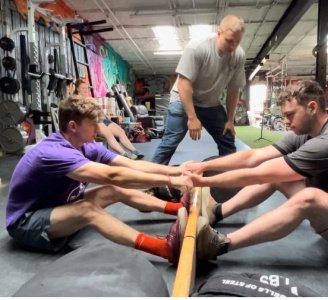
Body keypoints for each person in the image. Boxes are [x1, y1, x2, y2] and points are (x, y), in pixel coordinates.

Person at [185, 80, 328, 260]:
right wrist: (203, 167)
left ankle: (218, 245)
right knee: (278, 177)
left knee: (308, 196)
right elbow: (254, 156)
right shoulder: (306, 133)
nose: (286, 122)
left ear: (312, 107)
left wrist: (203, 182)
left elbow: (259, 173)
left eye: (290, 115)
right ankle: (217, 212)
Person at [6, 97, 193, 266]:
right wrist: (170, 181)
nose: (99, 129)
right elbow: (114, 175)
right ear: (73, 126)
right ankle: (165, 249)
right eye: (93, 124)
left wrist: (176, 170)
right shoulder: (54, 153)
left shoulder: (87, 146)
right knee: (89, 210)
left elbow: (129, 164)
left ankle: (179, 209)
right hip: (26, 223)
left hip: (56, 206)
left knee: (111, 190)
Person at [152, 15, 246, 165]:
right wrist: (192, 117)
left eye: (237, 42)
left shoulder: (238, 55)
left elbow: (234, 89)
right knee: (170, 141)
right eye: (229, 40)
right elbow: (184, 83)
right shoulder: (198, 47)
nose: (233, 46)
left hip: (210, 102)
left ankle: (227, 181)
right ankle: (152, 182)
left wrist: (230, 120)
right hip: (183, 100)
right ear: (219, 33)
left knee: (227, 137)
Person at [74, 79, 144, 160]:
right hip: (92, 121)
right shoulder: (76, 100)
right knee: (109, 134)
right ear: (77, 89)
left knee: (120, 131)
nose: (85, 90)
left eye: (86, 88)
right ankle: (124, 155)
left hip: (102, 119)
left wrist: (96, 106)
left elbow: (99, 111)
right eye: (83, 88)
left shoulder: (90, 98)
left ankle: (135, 151)